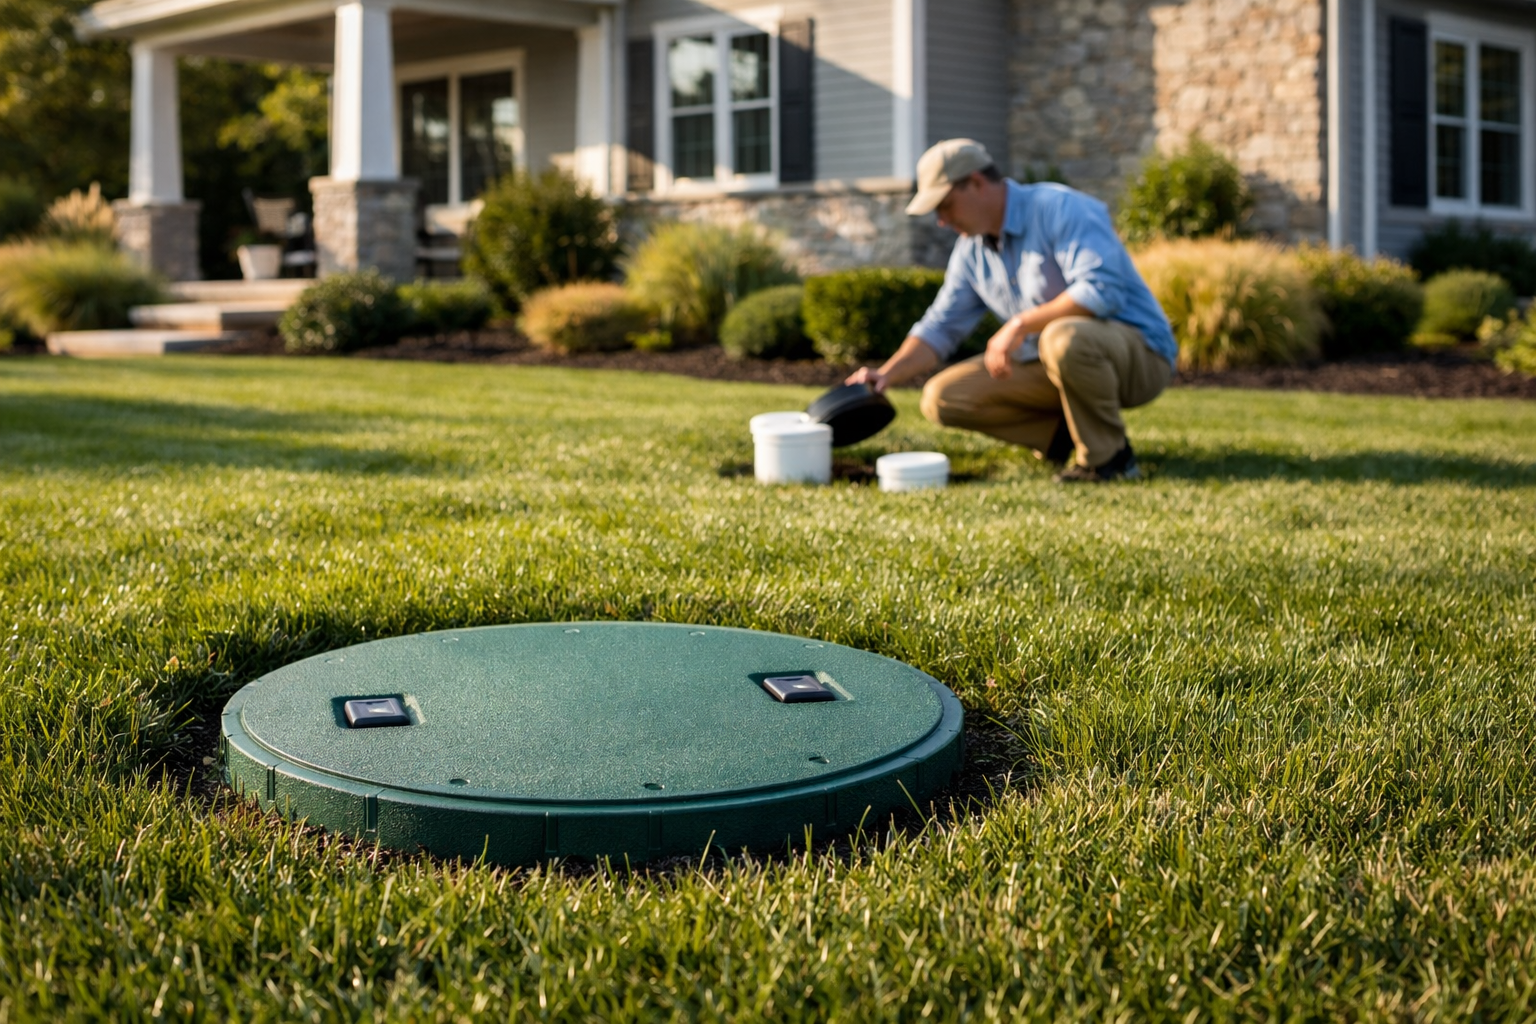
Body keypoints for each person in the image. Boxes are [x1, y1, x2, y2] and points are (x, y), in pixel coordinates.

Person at [846, 139, 1178, 482]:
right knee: (942, 397)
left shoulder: (1060, 207)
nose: (942, 221)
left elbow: (1101, 290)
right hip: (1055, 363)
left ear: (976, 182)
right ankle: (1064, 434)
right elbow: (941, 327)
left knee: (1062, 336)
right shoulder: (970, 252)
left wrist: (1020, 324)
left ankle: (1110, 461)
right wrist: (886, 374)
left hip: (1140, 355)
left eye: (945, 205)